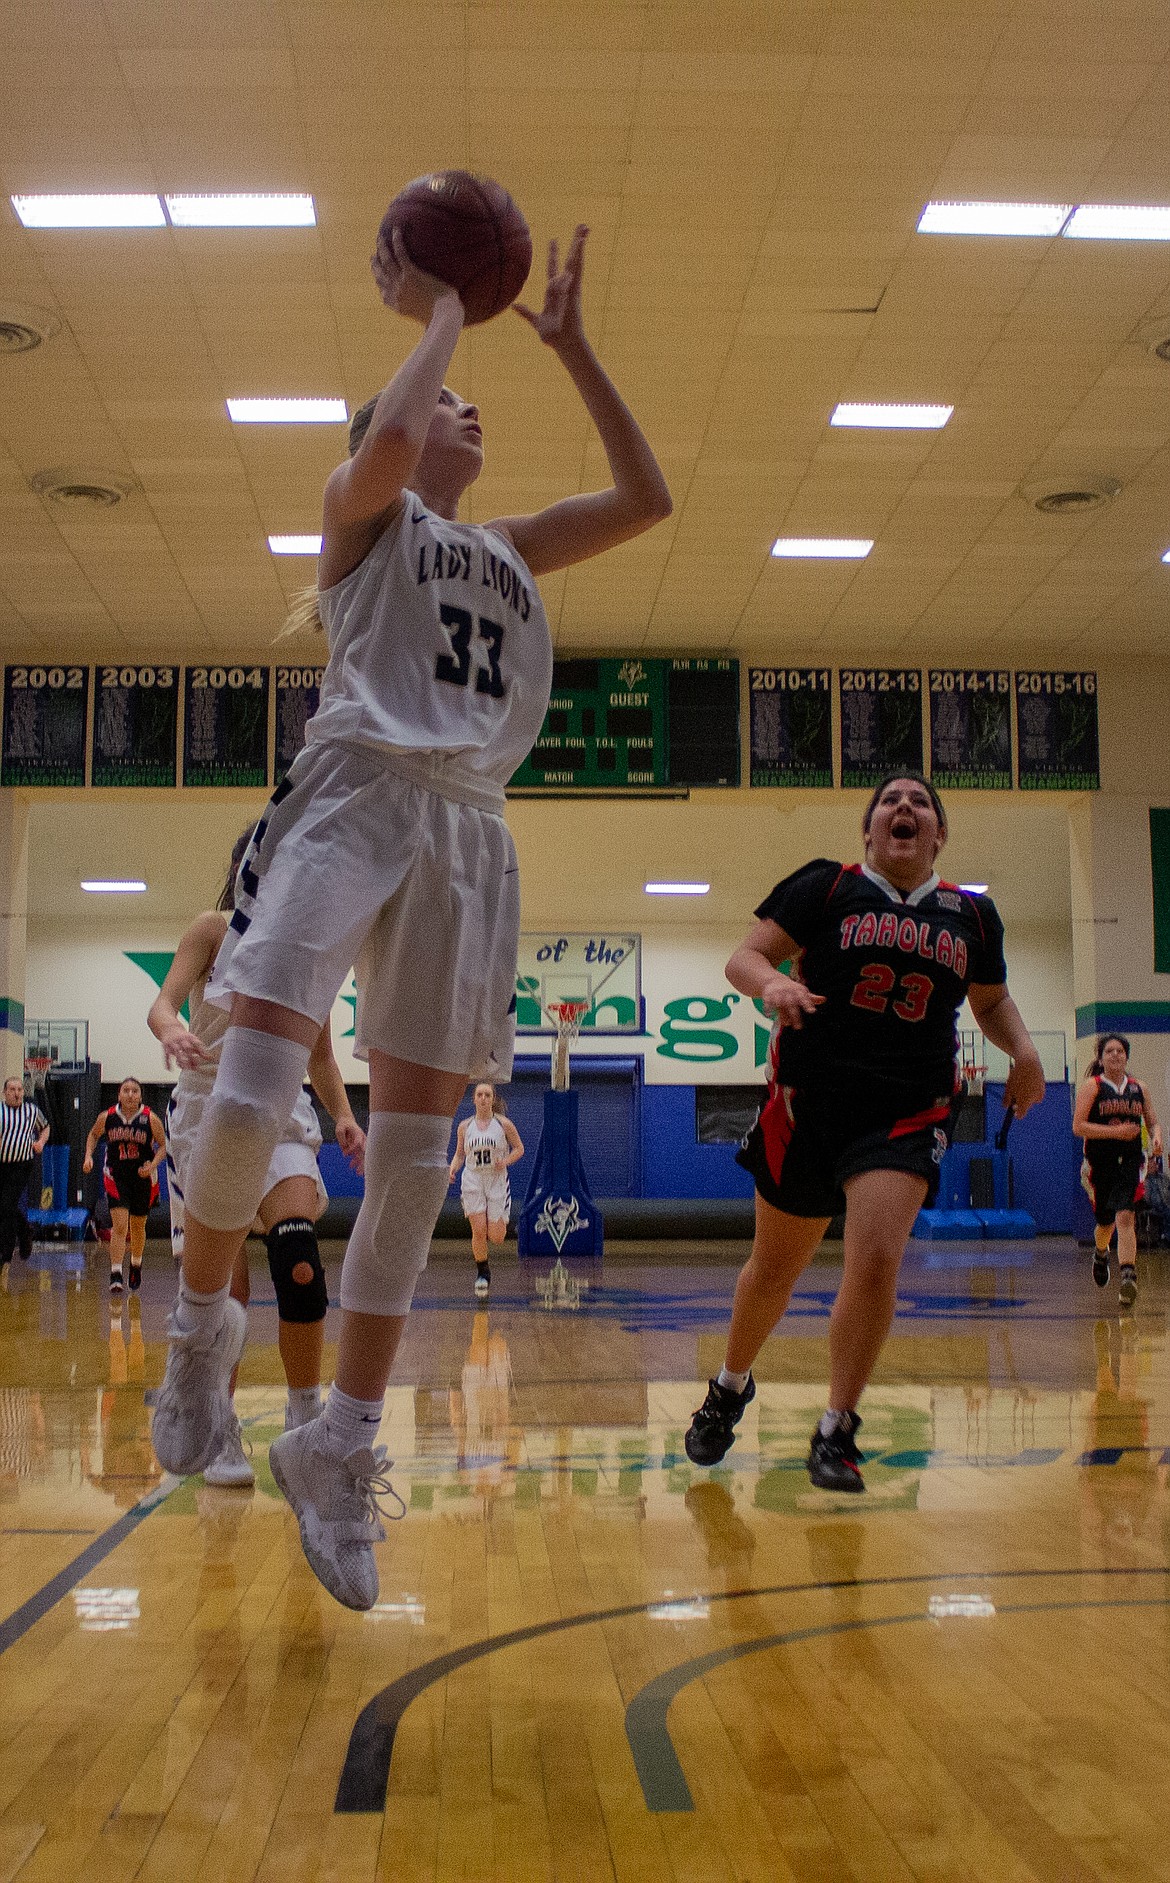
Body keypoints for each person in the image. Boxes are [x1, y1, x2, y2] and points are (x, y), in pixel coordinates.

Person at [148, 219, 671, 1608]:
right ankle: (201, 1328)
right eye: (443, 397)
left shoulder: (507, 547)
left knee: (418, 1154)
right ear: (392, 418)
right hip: (355, 790)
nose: (464, 402)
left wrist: (569, 347)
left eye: (466, 390)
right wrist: (438, 311)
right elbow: (386, 441)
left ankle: (343, 1440)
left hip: (468, 829)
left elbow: (647, 495)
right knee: (253, 1084)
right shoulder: (363, 514)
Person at [685, 772, 1045, 1493]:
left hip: (906, 1105)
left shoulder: (972, 917)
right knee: (774, 1272)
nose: (904, 807)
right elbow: (743, 958)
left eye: (919, 802)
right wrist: (772, 984)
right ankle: (730, 1384)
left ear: (939, 834)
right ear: (869, 829)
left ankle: (837, 1427)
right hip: (807, 1101)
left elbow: (991, 998)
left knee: (877, 1257)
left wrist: (1026, 1051)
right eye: (890, 800)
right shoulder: (828, 886)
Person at [149, 829, 366, 1486]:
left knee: (299, 1260)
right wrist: (174, 1027)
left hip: (281, 1109)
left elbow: (323, 1055)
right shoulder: (212, 930)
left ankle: (306, 1427)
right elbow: (161, 1003)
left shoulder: (312, 948)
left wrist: (347, 1115)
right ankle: (220, 1424)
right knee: (227, 1293)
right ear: (247, 865)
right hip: (205, 1107)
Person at [1073, 1033, 1161, 1309]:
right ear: (1100, 1058)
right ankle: (1100, 1253)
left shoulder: (1139, 1088)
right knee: (1106, 1222)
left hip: (1132, 1161)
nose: (1115, 1055)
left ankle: (1128, 1277)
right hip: (1100, 1163)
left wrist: (1156, 1137)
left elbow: (1153, 1122)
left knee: (1126, 1216)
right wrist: (1116, 1132)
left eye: (1120, 1050)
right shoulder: (1093, 1087)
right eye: (1109, 1051)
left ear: (1126, 1056)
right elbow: (1079, 1127)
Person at [83, 1078, 166, 1294]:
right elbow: (93, 1134)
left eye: (134, 1091)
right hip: (116, 1175)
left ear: (140, 1095)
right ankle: (116, 1273)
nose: (130, 1094)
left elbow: (164, 1146)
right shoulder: (108, 1117)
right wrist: (88, 1156)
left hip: (142, 1177)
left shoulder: (150, 1118)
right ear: (119, 1094)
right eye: (126, 1090)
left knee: (138, 1226)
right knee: (120, 1227)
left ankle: (136, 1265)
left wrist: (153, 1164)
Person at [449, 1081, 524, 1297]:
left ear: (493, 1099)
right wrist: (451, 1169)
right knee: (478, 1231)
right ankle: (483, 1273)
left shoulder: (503, 1125)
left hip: (496, 1179)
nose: (483, 1098)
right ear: (474, 1099)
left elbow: (519, 1149)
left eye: (487, 1095)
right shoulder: (464, 1126)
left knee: (497, 1237)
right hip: (473, 1179)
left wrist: (506, 1161)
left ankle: (504, 1220)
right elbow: (460, 1154)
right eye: (479, 1094)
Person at [0, 1075, 49, 1265]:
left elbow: (45, 1127)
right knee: (5, 1206)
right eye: (12, 1090)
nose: (17, 1093)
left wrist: (41, 1142)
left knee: (7, 1204)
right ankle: (25, 1230)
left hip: (22, 1163)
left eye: (19, 1089)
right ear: (5, 1093)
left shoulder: (31, 1110)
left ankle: (6, 1250)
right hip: (2, 1164)